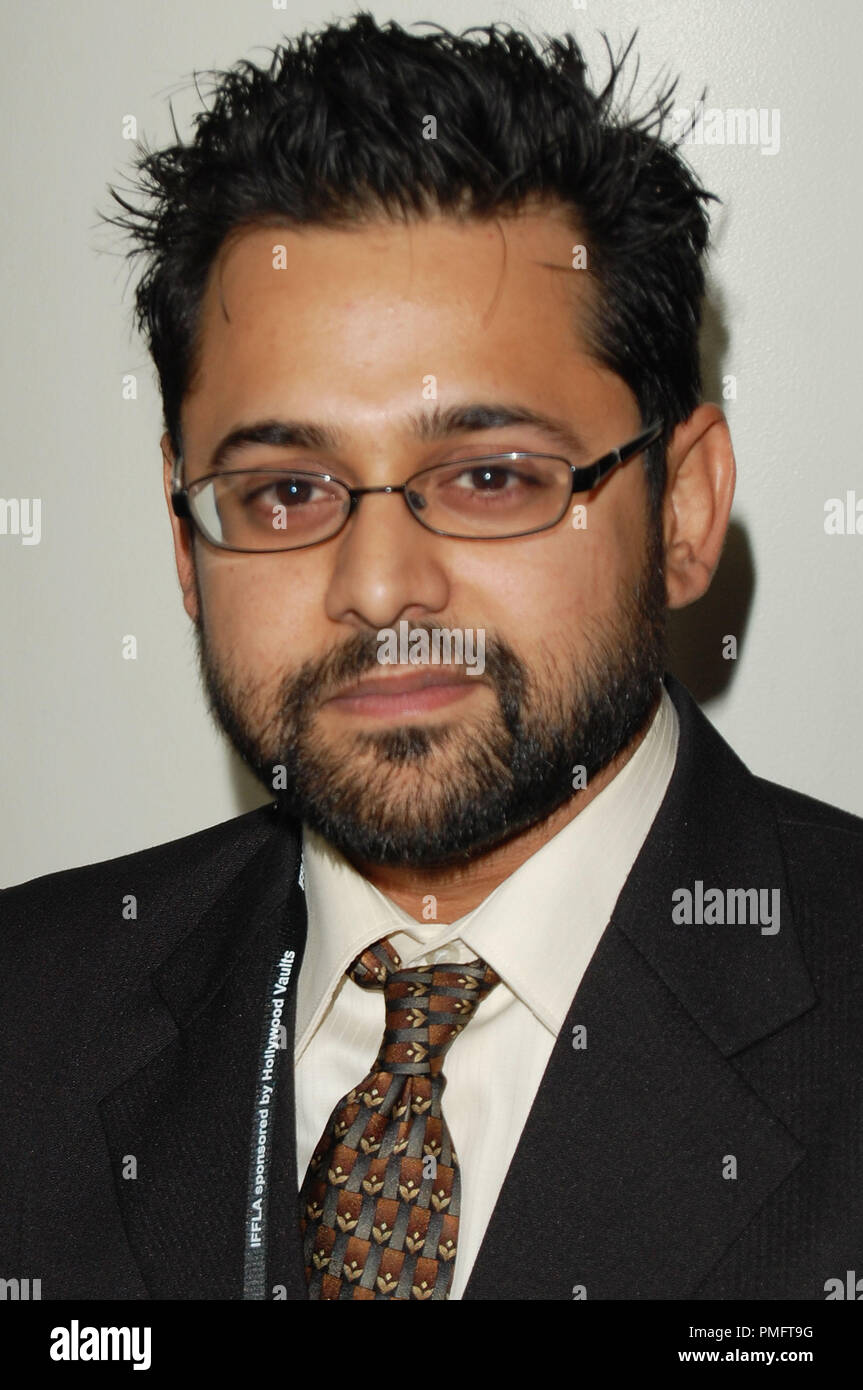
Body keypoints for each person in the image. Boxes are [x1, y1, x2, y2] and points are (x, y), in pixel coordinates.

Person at [1, 11, 860, 1302]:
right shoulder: (28, 1009)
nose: (379, 586)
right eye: (286, 492)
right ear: (186, 547)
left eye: (492, 475)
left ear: (681, 508)